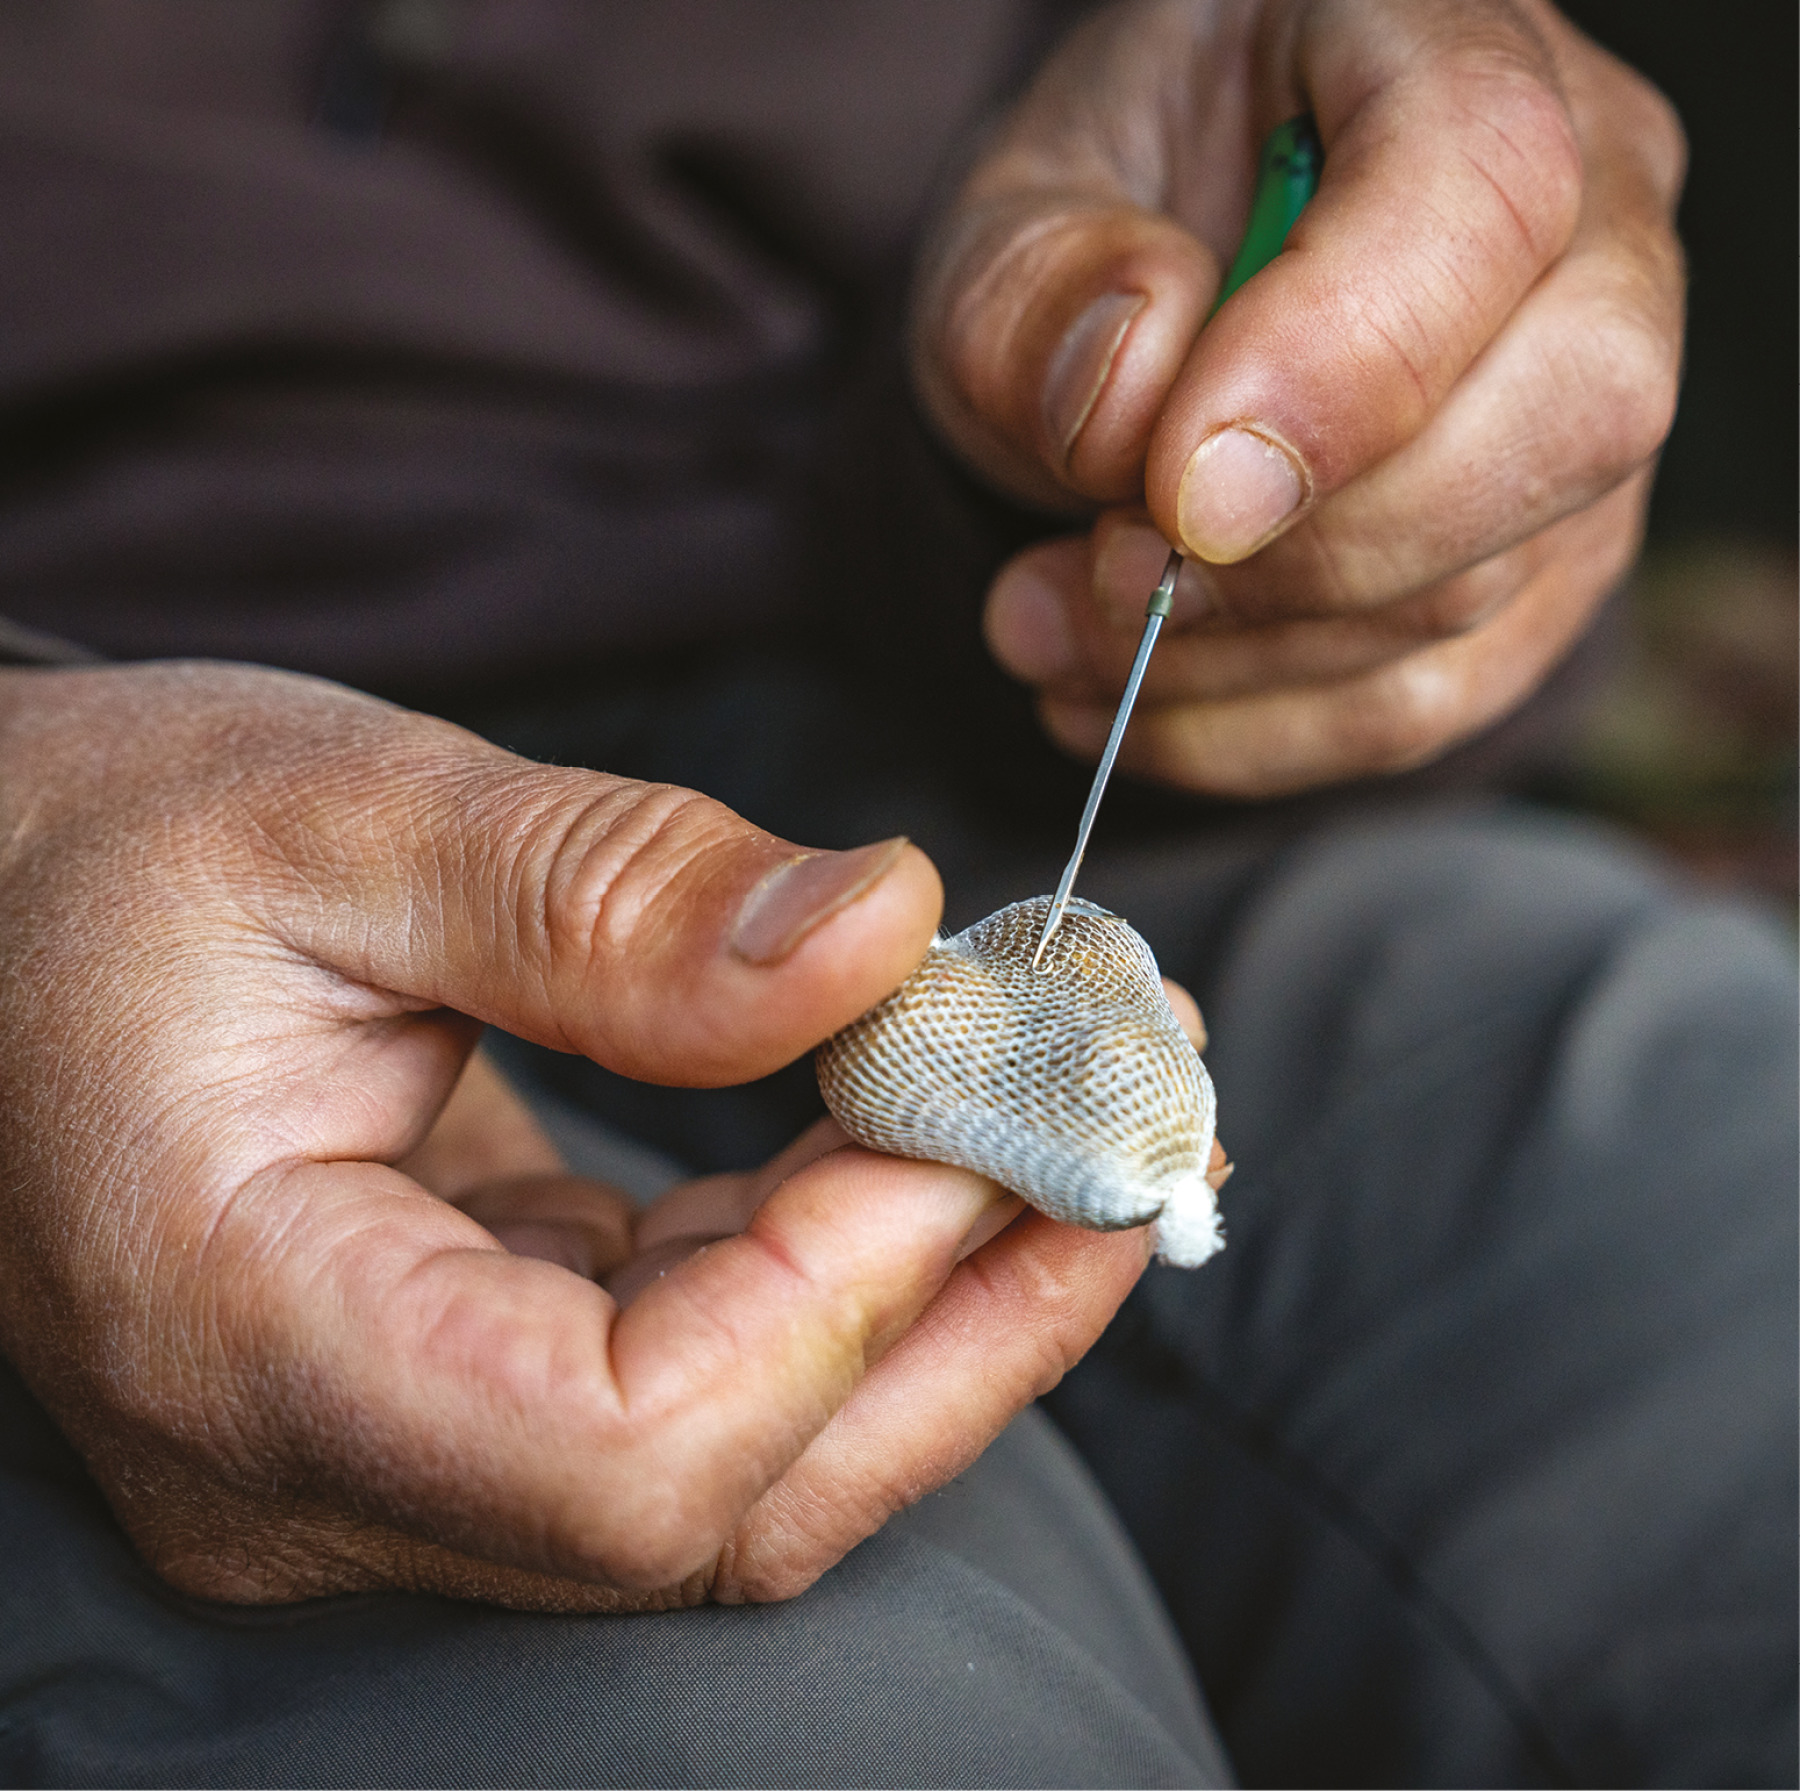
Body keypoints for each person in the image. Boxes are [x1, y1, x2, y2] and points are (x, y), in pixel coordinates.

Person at [0, 1, 1791, 1784]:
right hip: (112, 793)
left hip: (944, 700)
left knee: (1723, 1202)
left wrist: (1389, 471)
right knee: (833, 1732)